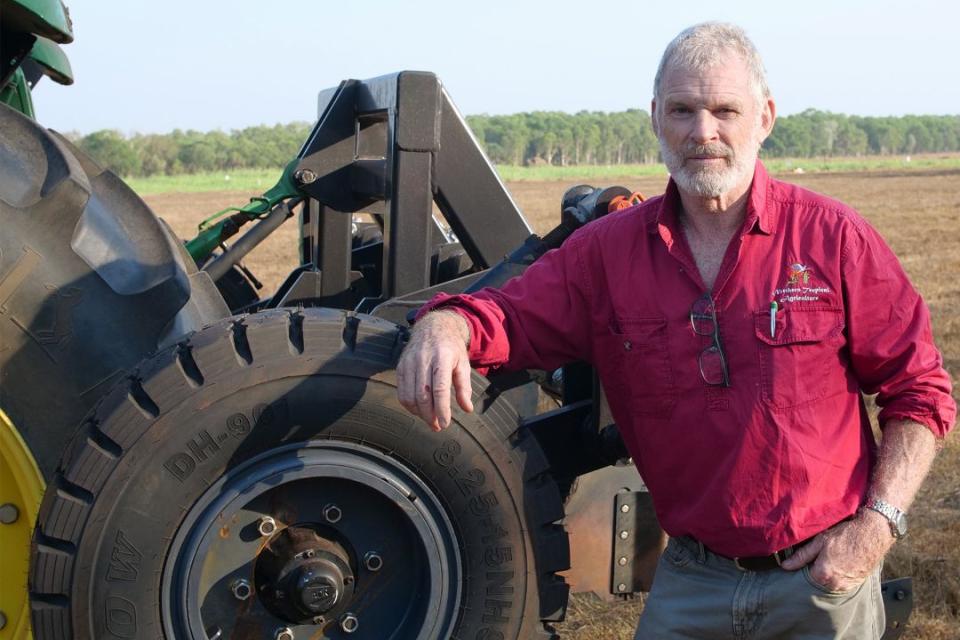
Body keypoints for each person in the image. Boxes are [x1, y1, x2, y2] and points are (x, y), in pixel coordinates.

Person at [396, 22, 955, 639]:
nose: (704, 133)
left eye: (725, 110)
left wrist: (876, 527)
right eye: (683, 111)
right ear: (656, 117)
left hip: (822, 582)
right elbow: (511, 315)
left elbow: (920, 391)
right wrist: (448, 320)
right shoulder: (605, 255)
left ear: (765, 117)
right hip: (691, 581)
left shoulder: (833, 239)